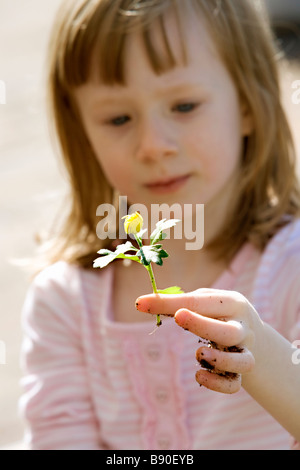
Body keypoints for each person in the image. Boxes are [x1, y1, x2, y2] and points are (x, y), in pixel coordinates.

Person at [19, 0, 300, 450]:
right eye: (118, 118)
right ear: (82, 131)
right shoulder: (66, 301)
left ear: (248, 103)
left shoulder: (291, 266)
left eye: (184, 105)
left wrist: (257, 351)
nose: (152, 145)